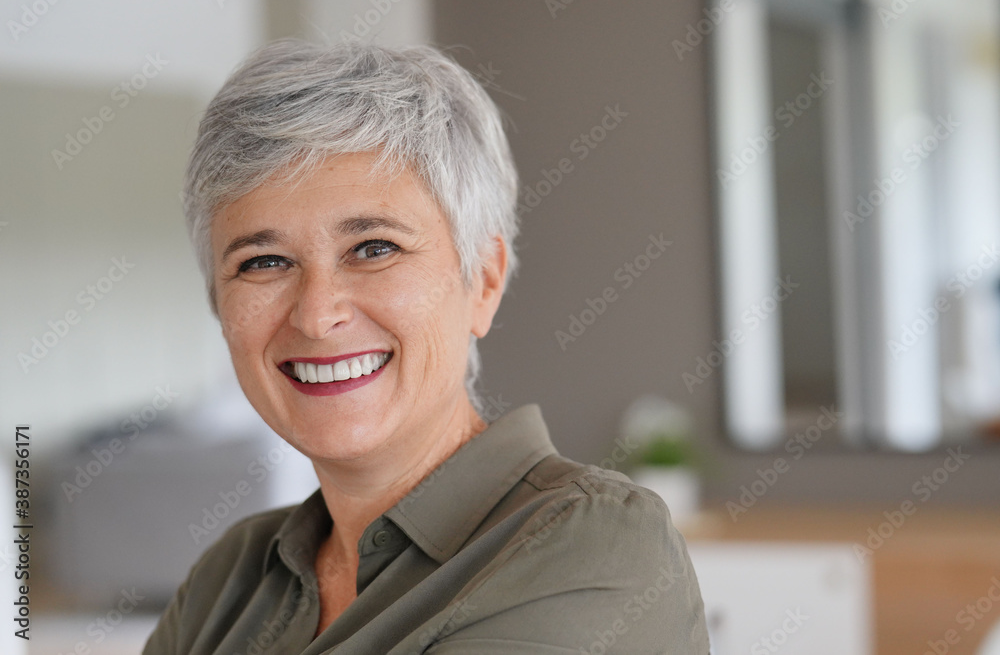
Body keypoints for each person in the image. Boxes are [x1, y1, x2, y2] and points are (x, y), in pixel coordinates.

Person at [143, 38, 709, 654]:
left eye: (374, 248)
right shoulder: (227, 580)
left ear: (484, 280)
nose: (316, 315)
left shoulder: (594, 543)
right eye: (264, 261)